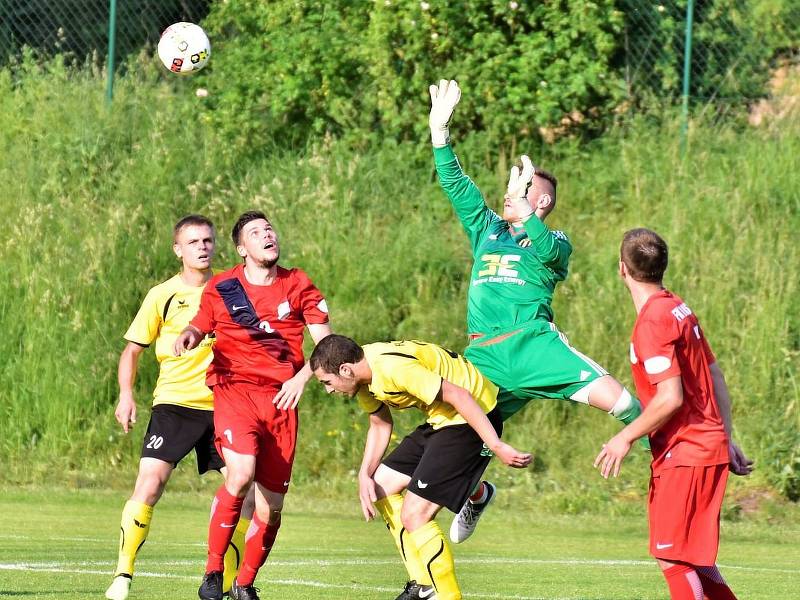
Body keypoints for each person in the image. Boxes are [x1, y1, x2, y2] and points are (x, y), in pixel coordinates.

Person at [427, 79, 647, 543]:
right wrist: (440, 134)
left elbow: (548, 250)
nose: (511, 190)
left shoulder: (554, 241)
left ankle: (674, 459)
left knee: (624, 404)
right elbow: (456, 186)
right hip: (483, 357)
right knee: (454, 431)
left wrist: (525, 212)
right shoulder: (487, 229)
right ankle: (475, 493)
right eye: (513, 184)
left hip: (533, 346)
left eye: (524, 186)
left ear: (541, 200)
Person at [173, 211, 332, 600]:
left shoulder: (298, 283)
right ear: (242, 249)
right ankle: (213, 571)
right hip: (235, 392)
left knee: (271, 509)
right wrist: (190, 335)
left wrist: (302, 377)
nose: (267, 236)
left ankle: (244, 583)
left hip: (281, 402)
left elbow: (327, 346)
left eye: (270, 229)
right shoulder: (224, 286)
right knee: (240, 475)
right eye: (256, 233)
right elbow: (200, 323)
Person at [309, 334, 531, 600]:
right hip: (442, 418)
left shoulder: (393, 370)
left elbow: (458, 394)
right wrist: (364, 474)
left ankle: (447, 595)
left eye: (327, 382)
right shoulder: (364, 375)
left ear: (345, 369)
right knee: (381, 485)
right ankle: (423, 585)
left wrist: (495, 444)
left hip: (472, 416)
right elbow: (380, 423)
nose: (329, 390)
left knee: (415, 515)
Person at [594, 228, 752, 600]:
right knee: (696, 559)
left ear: (622, 269)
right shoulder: (678, 307)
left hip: (686, 451)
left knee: (672, 557)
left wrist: (624, 436)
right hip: (701, 445)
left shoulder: (654, 321)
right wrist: (723, 436)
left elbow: (670, 398)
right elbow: (714, 373)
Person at [105, 215, 254, 600]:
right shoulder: (162, 295)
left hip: (225, 403)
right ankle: (123, 574)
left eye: (207, 240)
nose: (202, 247)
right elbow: (132, 350)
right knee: (149, 483)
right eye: (193, 242)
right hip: (175, 404)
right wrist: (126, 394)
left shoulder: (232, 288)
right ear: (178, 250)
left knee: (246, 492)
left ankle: (225, 580)